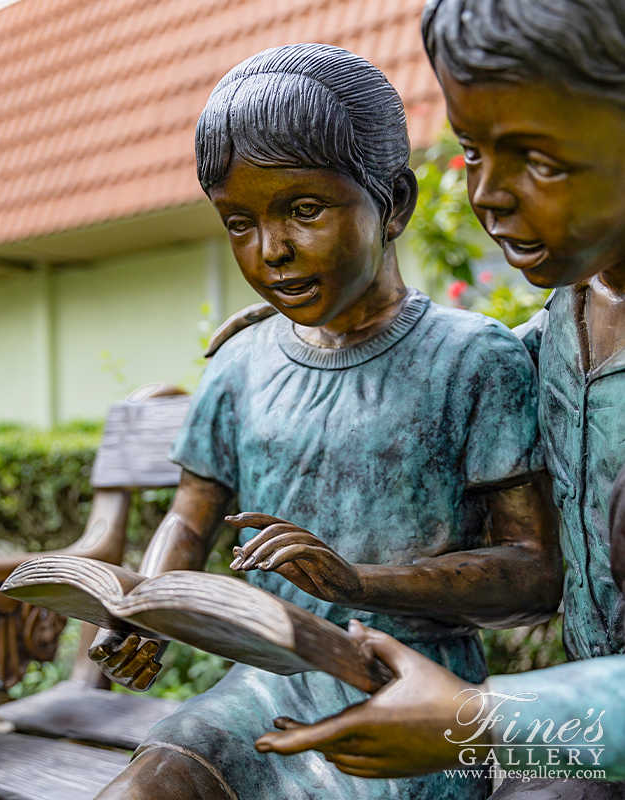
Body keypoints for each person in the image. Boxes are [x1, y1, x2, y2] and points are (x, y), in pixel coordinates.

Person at [90, 43, 561, 800]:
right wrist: (143, 605)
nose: (271, 251)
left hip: (411, 700)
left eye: (304, 210)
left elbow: (535, 576)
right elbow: (188, 518)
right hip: (257, 696)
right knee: (147, 788)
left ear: (395, 204)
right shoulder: (241, 365)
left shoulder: (472, 360)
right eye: (238, 222)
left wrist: (357, 582)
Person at [254, 0, 625, 793]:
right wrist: (332, 315)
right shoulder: (568, 319)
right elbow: (460, 355)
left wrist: (479, 720)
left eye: (540, 160)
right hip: (582, 738)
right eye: (472, 151)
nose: (488, 193)